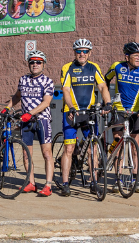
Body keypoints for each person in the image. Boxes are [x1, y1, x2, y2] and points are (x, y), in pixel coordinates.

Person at [57, 38, 110, 196]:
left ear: (90, 53)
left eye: (85, 51)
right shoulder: (68, 68)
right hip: (71, 112)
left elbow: (102, 86)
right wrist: (72, 107)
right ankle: (65, 183)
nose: (82, 54)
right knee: (69, 148)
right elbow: (66, 90)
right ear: (74, 52)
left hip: (88, 113)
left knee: (92, 149)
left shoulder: (94, 67)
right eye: (79, 51)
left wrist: (108, 103)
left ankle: (94, 182)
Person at [4, 50, 54, 197]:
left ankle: (48, 185)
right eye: (32, 62)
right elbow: (17, 96)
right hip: (26, 122)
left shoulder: (47, 81)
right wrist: (7, 108)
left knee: (47, 153)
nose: (35, 64)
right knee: (27, 154)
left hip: (42, 120)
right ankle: (31, 183)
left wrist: (30, 113)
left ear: (43, 64)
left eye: (38, 62)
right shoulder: (23, 79)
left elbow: (46, 102)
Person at [105, 41, 139, 193]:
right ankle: (117, 179)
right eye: (136, 56)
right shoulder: (117, 66)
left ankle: (135, 179)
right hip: (118, 109)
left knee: (135, 145)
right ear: (127, 56)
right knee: (118, 145)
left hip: (136, 112)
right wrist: (106, 101)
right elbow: (105, 80)